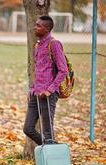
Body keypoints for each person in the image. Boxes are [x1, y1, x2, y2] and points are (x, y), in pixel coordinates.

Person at [23, 16, 68, 145]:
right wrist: (32, 89)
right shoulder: (38, 45)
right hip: (35, 94)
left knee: (48, 133)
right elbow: (38, 70)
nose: (35, 27)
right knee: (28, 128)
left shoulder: (54, 44)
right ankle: (50, 148)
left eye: (38, 26)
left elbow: (63, 70)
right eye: (36, 24)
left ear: (47, 29)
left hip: (48, 95)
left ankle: (52, 158)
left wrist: (50, 90)